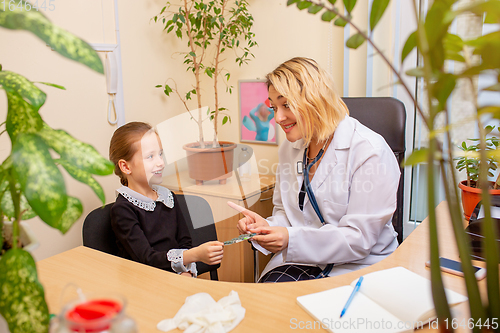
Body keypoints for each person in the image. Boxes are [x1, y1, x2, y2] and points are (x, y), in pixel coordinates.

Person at [235, 57, 400, 282]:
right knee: (267, 303)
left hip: (358, 265)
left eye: (286, 105)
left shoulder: (370, 151)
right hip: (302, 259)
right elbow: (286, 213)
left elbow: (359, 239)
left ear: (314, 100)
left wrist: (290, 239)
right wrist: (267, 227)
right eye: (274, 107)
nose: (278, 118)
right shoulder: (290, 148)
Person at [109, 121, 224, 277]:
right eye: (150, 156)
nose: (161, 163)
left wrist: (187, 271)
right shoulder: (122, 210)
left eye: (160, 154)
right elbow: (146, 258)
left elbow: (184, 243)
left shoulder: (167, 197)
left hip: (175, 276)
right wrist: (194, 255)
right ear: (126, 167)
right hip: (144, 282)